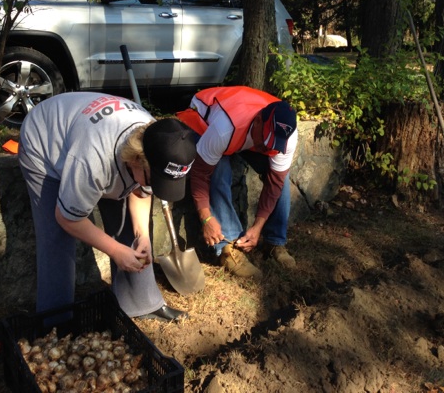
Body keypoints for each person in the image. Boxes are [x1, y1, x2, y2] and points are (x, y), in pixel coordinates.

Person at [18, 92, 197, 322]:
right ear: (136, 159)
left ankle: (141, 303)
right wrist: (114, 250)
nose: (155, 187)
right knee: (57, 237)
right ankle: (56, 323)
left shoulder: (159, 142)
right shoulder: (92, 159)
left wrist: (142, 234)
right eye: (155, 180)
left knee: (129, 226)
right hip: (44, 143)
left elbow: (141, 191)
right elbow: (66, 218)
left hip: (89, 139)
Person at [177, 86, 298, 278]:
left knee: (280, 177)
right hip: (204, 115)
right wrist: (206, 218)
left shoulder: (287, 137)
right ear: (258, 121)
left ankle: (274, 242)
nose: (268, 148)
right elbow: (201, 174)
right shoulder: (224, 129)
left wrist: (258, 226)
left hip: (243, 130)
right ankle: (228, 248)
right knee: (220, 168)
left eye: (273, 144)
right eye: (266, 140)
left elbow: (275, 183)